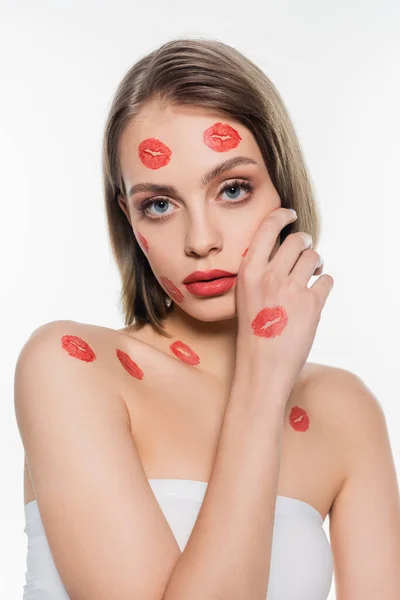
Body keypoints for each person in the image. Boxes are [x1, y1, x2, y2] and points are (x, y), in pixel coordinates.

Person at [15, 38, 400, 600]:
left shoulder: (343, 410)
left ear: (283, 188)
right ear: (128, 217)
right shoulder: (71, 368)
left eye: (234, 189)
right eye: (160, 204)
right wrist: (263, 382)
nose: (201, 241)